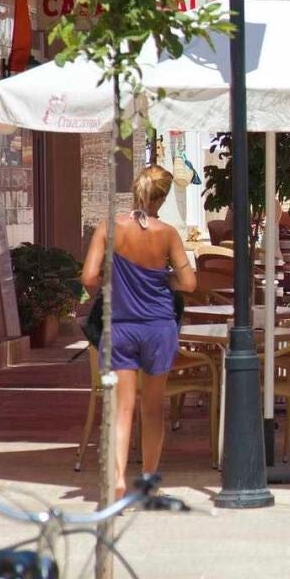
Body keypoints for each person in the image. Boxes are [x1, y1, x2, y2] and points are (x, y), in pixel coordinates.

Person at [81, 166, 197, 501]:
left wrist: (113, 281)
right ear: (162, 197)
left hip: (120, 325)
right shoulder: (167, 233)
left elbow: (88, 278)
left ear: (136, 191)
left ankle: (118, 476)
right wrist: (163, 279)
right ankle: (147, 479)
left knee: (122, 408)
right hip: (158, 327)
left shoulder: (109, 227)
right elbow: (189, 283)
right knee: (153, 408)